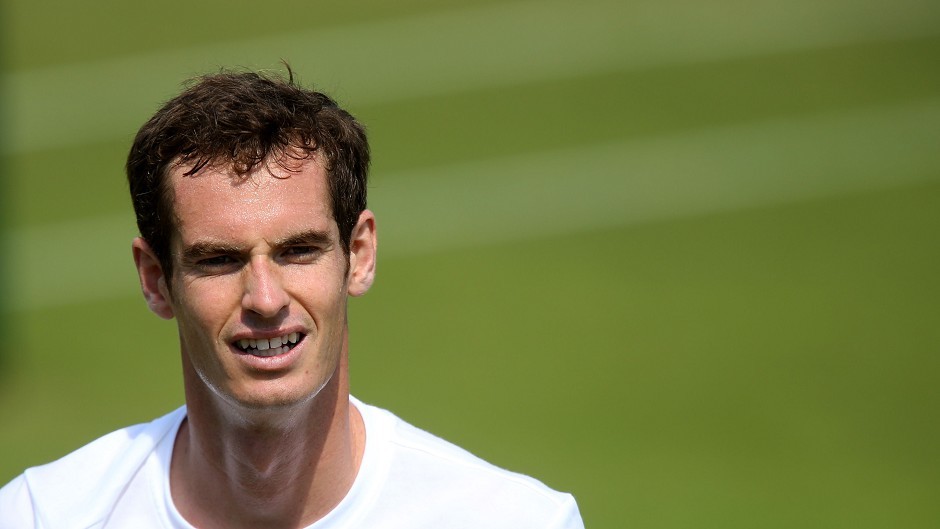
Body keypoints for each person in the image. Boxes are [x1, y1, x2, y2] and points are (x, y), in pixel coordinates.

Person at [0, 69, 584, 528]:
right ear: (156, 280)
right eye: (219, 260)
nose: (264, 296)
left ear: (359, 254)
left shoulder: (513, 520)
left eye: (299, 251)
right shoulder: (41, 516)